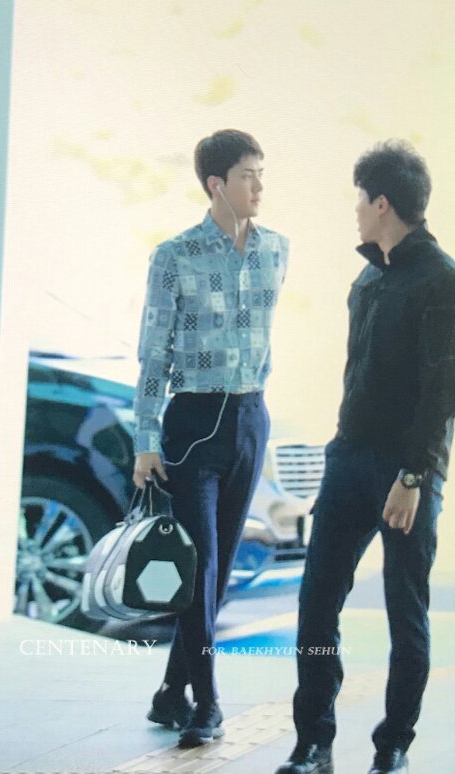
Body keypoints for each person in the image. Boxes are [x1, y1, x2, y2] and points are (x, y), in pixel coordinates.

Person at [275, 140, 455, 774]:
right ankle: (314, 742)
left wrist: (412, 475)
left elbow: (442, 391)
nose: (354, 210)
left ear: (382, 204)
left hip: (407, 472)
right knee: (317, 600)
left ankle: (393, 747)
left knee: (406, 611)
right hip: (349, 459)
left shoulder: (441, 279)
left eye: (360, 199)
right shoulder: (369, 276)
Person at [133, 129, 289, 748]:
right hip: (193, 426)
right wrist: (145, 439)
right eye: (249, 175)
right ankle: (207, 701)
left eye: (262, 173)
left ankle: (172, 689)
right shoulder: (174, 256)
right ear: (216, 184)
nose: (259, 186)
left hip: (250, 419)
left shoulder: (277, 250)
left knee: (217, 570)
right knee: (197, 565)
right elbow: (153, 354)